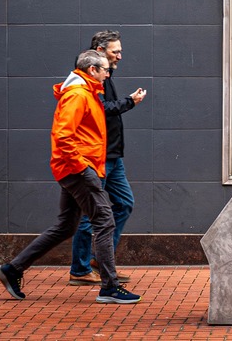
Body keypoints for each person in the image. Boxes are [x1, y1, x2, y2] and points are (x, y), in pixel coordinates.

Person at [0, 50, 141, 304]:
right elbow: (63, 137)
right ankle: (109, 287)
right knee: (105, 221)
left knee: (66, 226)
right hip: (79, 170)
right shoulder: (77, 95)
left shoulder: (88, 93)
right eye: (105, 69)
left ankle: (13, 269)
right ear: (92, 70)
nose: (109, 73)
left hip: (75, 168)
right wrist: (83, 168)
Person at [69, 30, 147, 286]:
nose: (120, 56)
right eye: (116, 51)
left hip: (113, 155)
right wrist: (130, 102)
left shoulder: (106, 76)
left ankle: (99, 259)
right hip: (99, 156)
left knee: (124, 203)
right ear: (99, 52)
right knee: (89, 213)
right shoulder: (87, 82)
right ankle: (80, 269)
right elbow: (100, 110)